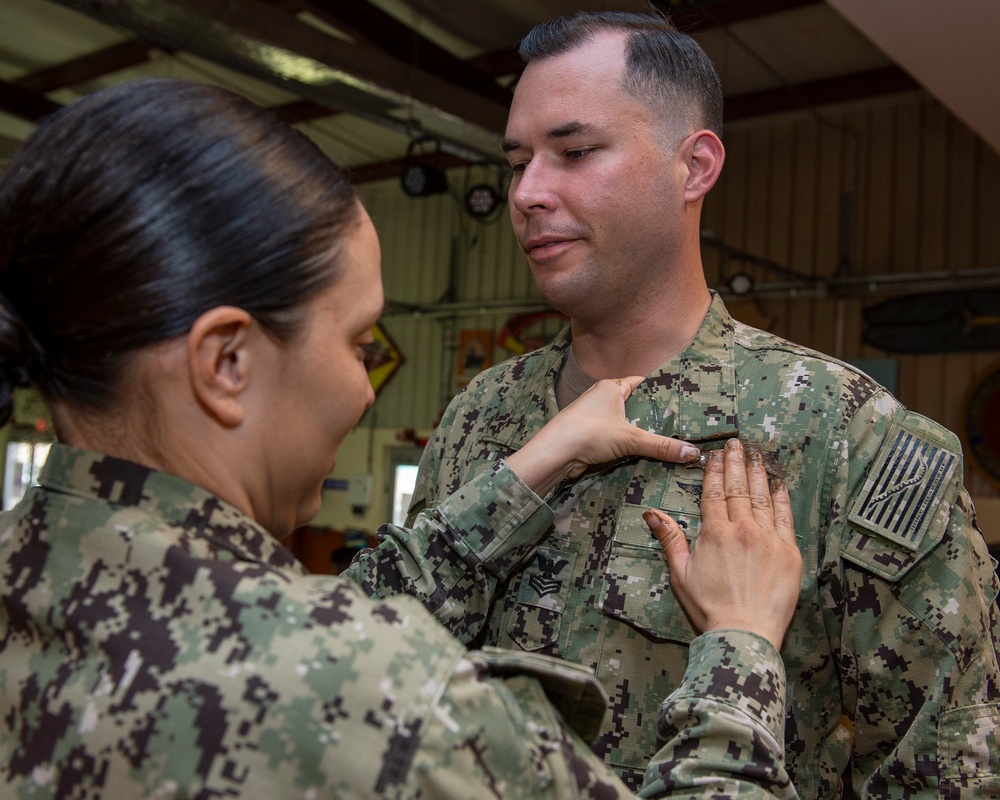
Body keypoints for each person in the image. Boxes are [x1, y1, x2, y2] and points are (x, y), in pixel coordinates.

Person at [0, 77, 804, 799]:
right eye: (357, 343)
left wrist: (528, 469)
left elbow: (353, 600)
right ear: (228, 362)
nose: (363, 385)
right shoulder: (380, 700)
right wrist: (739, 649)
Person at [351, 10, 1000, 799]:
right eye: (517, 161)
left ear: (694, 166)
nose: (526, 192)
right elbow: (384, 669)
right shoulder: (479, 419)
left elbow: (941, 774)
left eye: (576, 151)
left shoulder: (852, 438)